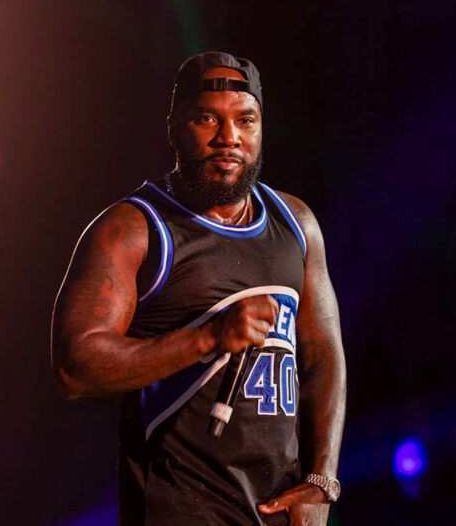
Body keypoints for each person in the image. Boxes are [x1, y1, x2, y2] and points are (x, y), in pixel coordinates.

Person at [51, 51, 346, 525]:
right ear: (174, 128)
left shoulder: (297, 223)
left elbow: (324, 355)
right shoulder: (132, 230)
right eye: (207, 118)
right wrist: (207, 337)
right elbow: (74, 367)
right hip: (176, 510)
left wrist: (321, 480)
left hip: (275, 513)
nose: (229, 137)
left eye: (245, 120)